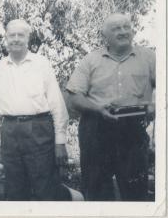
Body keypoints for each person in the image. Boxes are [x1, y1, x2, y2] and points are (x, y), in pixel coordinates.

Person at [0, 19, 80, 201]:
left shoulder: (41, 64)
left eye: (20, 35)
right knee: (14, 188)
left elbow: (56, 103)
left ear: (27, 38)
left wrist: (60, 141)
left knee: (44, 186)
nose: (16, 39)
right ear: (6, 38)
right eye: (11, 35)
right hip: (10, 131)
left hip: (39, 129)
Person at [66, 13, 155, 201]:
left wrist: (155, 106)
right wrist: (98, 108)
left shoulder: (149, 58)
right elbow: (74, 97)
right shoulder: (90, 60)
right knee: (96, 191)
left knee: (135, 193)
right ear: (104, 35)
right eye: (116, 29)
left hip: (133, 131)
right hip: (96, 130)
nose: (123, 32)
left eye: (126, 27)